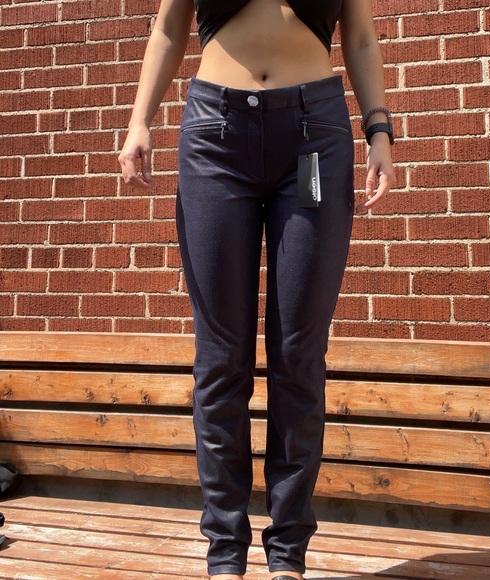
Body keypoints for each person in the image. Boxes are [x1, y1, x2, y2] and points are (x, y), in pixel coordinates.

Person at [118, 1, 395, 578]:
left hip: (313, 140)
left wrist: (379, 130)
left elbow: (362, 38)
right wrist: (140, 118)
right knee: (221, 359)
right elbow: (168, 28)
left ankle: (287, 556)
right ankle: (225, 554)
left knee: (298, 355)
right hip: (215, 138)